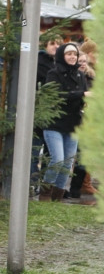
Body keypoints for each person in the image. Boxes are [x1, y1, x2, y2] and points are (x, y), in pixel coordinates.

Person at [40, 43, 88, 201]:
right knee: (58, 159)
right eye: (69, 54)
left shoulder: (81, 75)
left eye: (75, 53)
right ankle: (45, 193)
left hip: (73, 124)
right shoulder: (53, 73)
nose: (73, 56)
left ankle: (57, 196)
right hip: (54, 123)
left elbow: (82, 98)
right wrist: (82, 94)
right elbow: (57, 95)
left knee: (68, 163)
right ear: (62, 56)